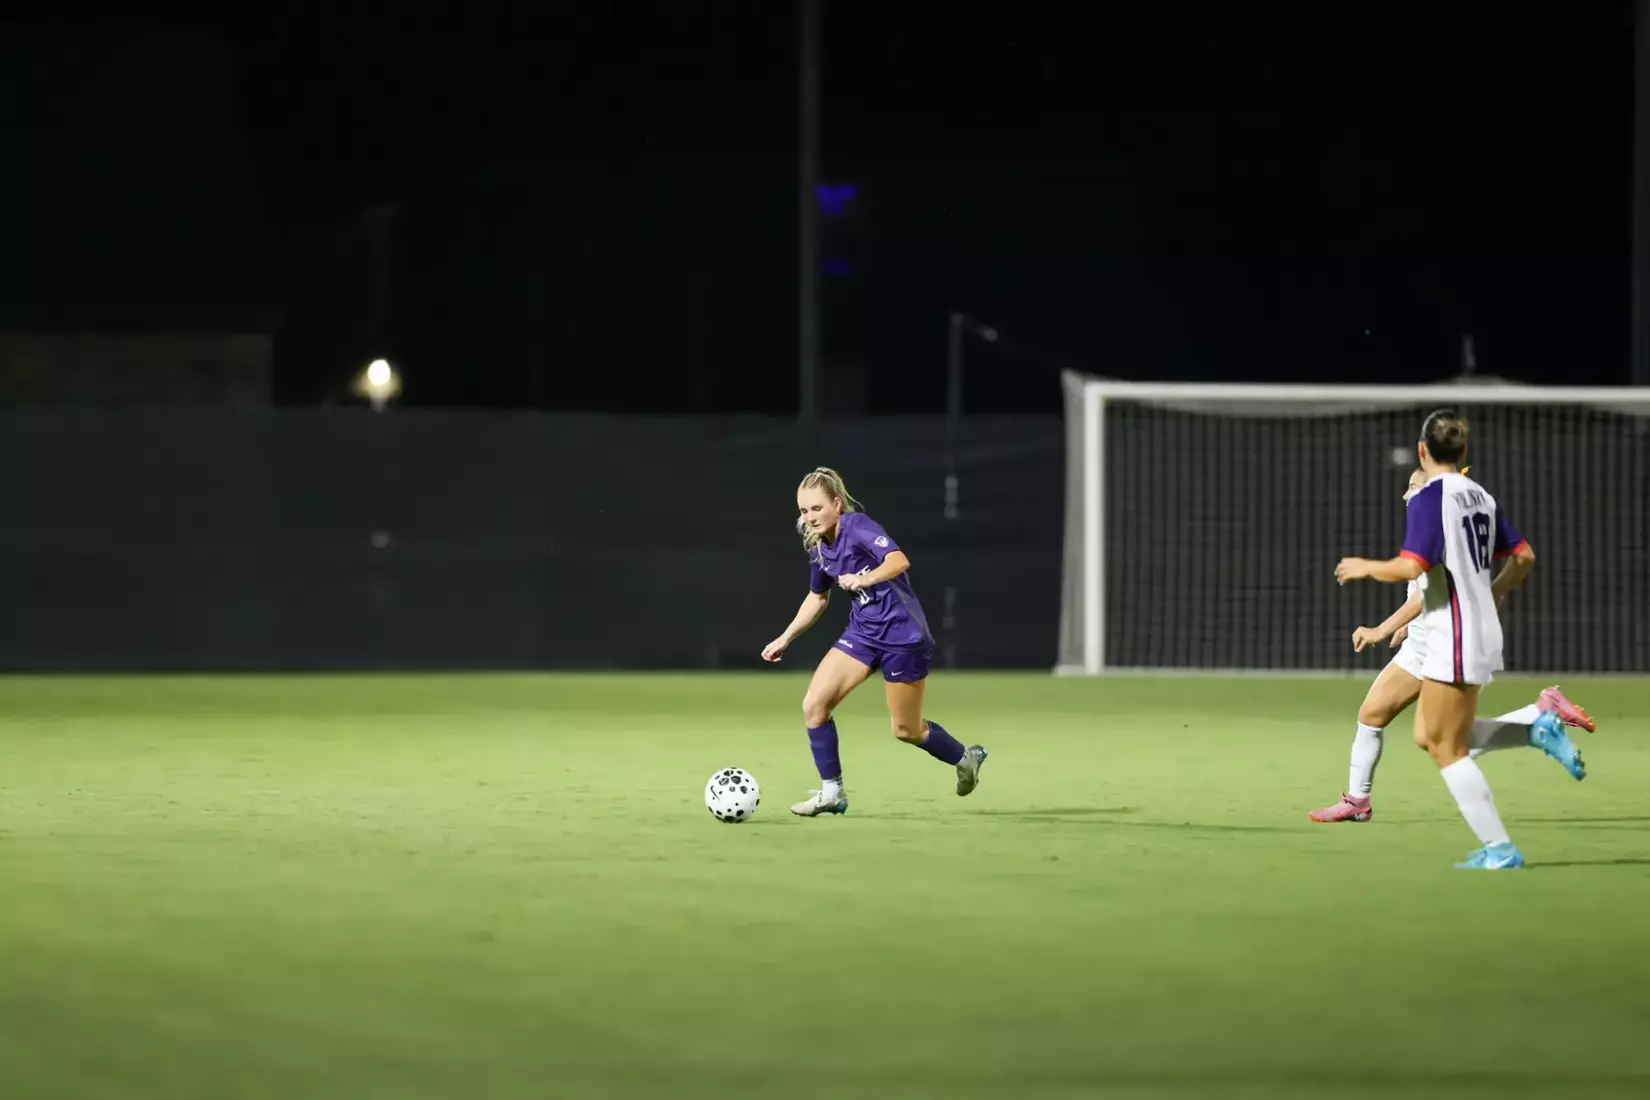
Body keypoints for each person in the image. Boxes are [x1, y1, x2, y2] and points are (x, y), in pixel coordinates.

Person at [1334, 410, 1569, 869]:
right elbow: (1523, 556)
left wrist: (1366, 566)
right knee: (1431, 735)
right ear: (1462, 451)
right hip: (1471, 629)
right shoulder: (1479, 495)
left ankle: (1501, 849)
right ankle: (1535, 727)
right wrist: (1494, 592)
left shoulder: (1430, 497)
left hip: (1453, 633)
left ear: (1423, 451)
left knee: (1446, 746)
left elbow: (1412, 567)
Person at [1311, 466, 1596, 823]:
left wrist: (1381, 629)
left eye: (1413, 487)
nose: (1405, 495)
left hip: (1442, 645)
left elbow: (1427, 591)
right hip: (1425, 642)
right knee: (1374, 715)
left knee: (1449, 744)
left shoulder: (1438, 524)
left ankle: (1537, 719)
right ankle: (1357, 800)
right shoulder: (1449, 520)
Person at [761, 467, 988, 816]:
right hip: (864, 634)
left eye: (817, 508)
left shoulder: (858, 526)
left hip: (903, 637)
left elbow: (898, 560)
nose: (809, 517)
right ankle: (832, 792)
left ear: (837, 504)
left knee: (906, 729)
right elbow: (817, 598)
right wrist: (785, 636)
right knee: (814, 706)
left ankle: (965, 757)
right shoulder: (820, 548)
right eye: (804, 511)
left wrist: (866, 579)